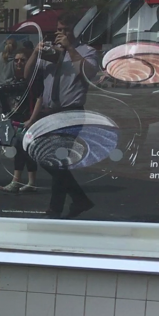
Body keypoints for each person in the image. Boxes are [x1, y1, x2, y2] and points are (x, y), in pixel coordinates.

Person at [24, 12, 97, 218]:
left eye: (66, 30)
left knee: (55, 159)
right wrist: (36, 54)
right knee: (48, 158)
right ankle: (79, 200)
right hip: (49, 113)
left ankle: (55, 209)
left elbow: (88, 74)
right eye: (58, 30)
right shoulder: (51, 54)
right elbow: (27, 76)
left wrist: (70, 49)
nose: (61, 34)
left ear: (75, 32)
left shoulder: (86, 51)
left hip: (70, 112)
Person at [0, 51, 41, 193]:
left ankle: (27, 181)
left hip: (28, 120)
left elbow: (39, 99)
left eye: (22, 60)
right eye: (16, 60)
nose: (19, 63)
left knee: (28, 150)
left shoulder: (32, 80)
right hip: (15, 121)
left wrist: (33, 119)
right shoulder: (10, 80)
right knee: (19, 149)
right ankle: (21, 181)